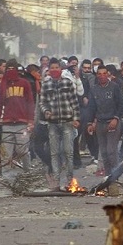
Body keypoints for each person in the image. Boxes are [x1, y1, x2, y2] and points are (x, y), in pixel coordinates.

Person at [39, 58, 80, 191]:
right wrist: (46, 112)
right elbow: (42, 103)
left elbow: (74, 102)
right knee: (54, 153)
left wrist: (76, 118)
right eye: (52, 68)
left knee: (68, 152)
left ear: (60, 69)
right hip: (52, 123)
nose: (55, 70)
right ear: (49, 70)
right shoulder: (45, 85)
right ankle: (56, 181)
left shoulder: (68, 83)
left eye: (57, 68)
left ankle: (69, 181)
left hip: (67, 121)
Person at [0, 59, 34, 170]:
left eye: (13, 69)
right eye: (8, 69)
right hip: (7, 123)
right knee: (6, 154)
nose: (11, 71)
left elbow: (30, 102)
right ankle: (7, 178)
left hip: (22, 123)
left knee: (23, 151)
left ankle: (27, 171)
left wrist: (31, 121)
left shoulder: (24, 83)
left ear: (17, 70)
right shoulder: (3, 86)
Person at [84, 65, 123, 180]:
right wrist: (90, 123)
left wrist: (116, 119)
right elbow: (91, 107)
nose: (102, 76)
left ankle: (115, 177)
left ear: (108, 74)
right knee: (104, 152)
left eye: (104, 73)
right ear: (97, 75)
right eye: (99, 74)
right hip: (100, 123)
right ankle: (108, 177)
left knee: (111, 151)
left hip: (112, 122)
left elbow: (121, 104)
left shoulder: (114, 87)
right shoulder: (94, 89)